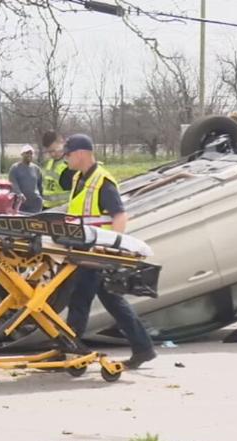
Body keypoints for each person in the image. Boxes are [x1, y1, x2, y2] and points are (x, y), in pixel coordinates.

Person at [60, 134, 157, 369]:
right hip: (84, 249)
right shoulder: (78, 179)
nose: (66, 159)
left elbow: (120, 215)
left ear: (81, 153)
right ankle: (143, 348)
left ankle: (71, 352)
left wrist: (110, 248)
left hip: (96, 253)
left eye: (68, 154)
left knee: (79, 299)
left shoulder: (102, 181)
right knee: (112, 301)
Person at [8, 144, 44, 213]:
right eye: (27, 153)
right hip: (21, 203)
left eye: (31, 153)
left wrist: (41, 198)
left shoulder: (36, 169)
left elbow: (40, 185)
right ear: (22, 154)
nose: (29, 155)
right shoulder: (15, 168)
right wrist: (19, 194)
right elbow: (13, 183)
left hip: (35, 204)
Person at [41, 131, 72, 209]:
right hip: (47, 209)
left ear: (61, 143)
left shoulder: (70, 165)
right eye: (49, 152)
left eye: (54, 150)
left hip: (63, 211)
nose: (52, 154)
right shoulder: (49, 163)